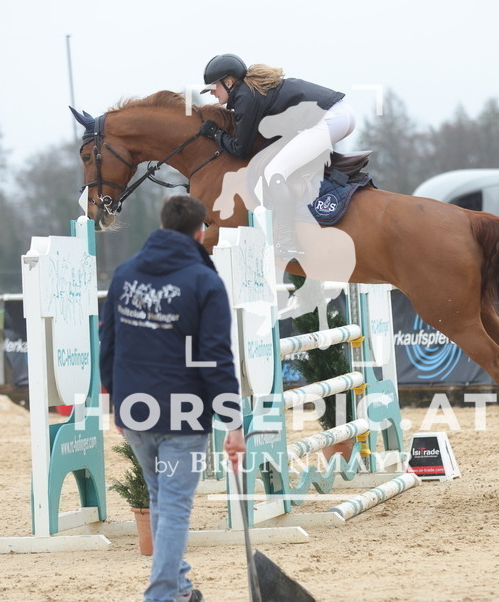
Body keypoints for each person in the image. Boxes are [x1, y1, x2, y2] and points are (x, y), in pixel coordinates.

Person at [99, 194, 245, 602]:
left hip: (135, 408)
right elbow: (216, 358)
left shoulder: (126, 273)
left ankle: (177, 588)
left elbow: (108, 344)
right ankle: (162, 595)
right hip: (184, 413)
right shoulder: (205, 282)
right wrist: (233, 423)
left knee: (162, 498)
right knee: (175, 505)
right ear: (199, 233)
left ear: (163, 226)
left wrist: (116, 402)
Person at [198, 53, 357, 260]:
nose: (212, 93)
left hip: (331, 119)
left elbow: (240, 149)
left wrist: (215, 134)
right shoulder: (249, 92)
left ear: (228, 82)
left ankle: (287, 242)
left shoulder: (246, 97)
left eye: (214, 87)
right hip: (338, 114)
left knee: (274, 171)